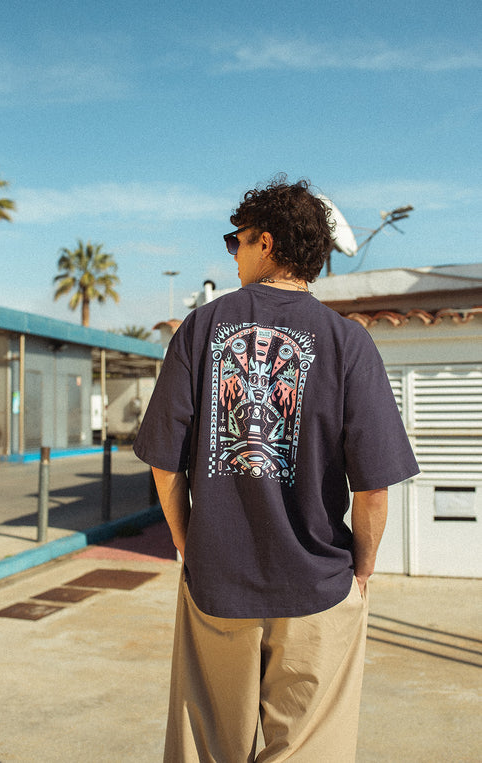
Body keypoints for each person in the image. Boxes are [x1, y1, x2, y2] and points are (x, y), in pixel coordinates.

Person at [134, 175, 419, 762]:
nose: (232, 254)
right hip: (318, 584)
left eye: (234, 240)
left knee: (209, 747)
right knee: (310, 748)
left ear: (264, 242)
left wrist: (189, 545)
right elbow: (372, 489)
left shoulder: (200, 328)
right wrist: (362, 572)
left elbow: (165, 468)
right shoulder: (348, 342)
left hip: (218, 584)